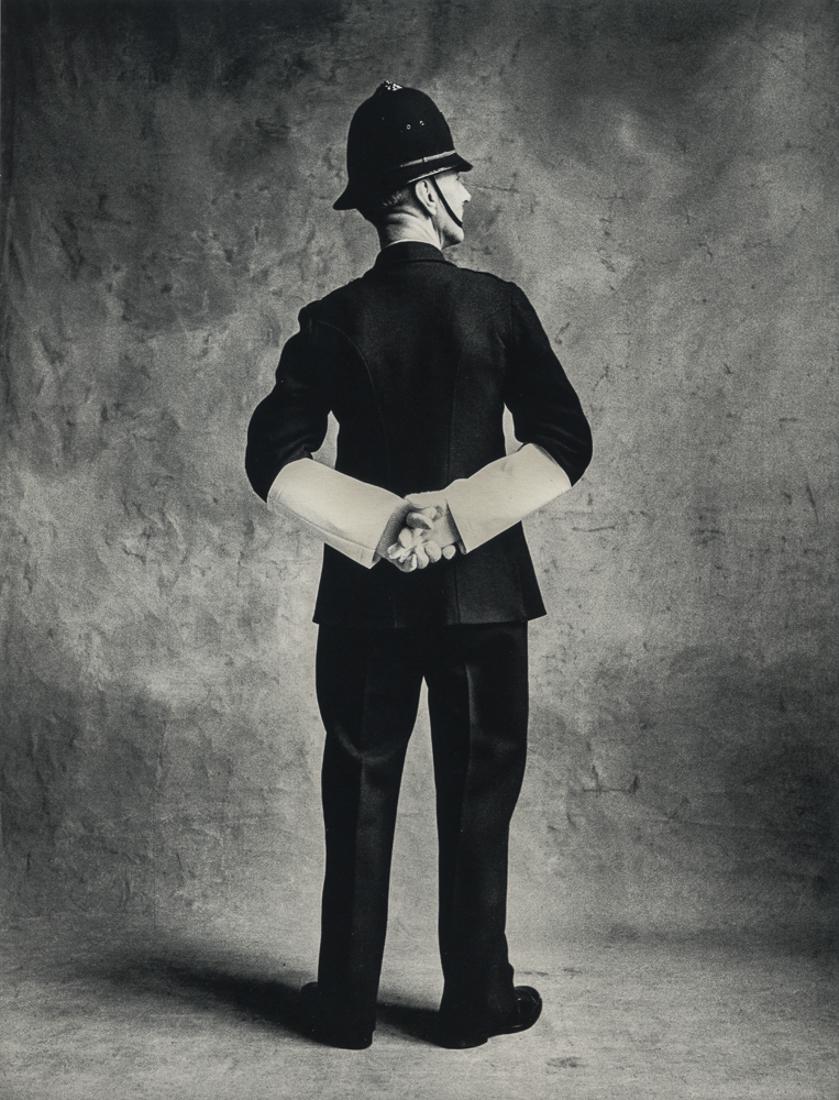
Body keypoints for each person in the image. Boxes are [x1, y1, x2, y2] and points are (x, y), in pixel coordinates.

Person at [245, 81, 592, 1050]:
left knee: (356, 794)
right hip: (483, 598)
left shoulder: (330, 318)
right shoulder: (496, 306)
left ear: (374, 203)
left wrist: (384, 521)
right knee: (478, 802)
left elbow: (269, 455)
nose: (469, 203)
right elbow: (566, 438)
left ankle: (346, 1002)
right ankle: (474, 1000)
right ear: (432, 189)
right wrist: (456, 516)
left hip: (365, 601)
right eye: (459, 183)